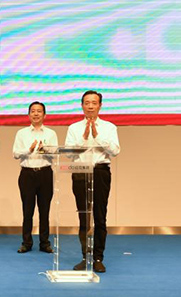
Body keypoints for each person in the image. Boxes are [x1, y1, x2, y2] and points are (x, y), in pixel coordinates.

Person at [65, 90, 120, 273]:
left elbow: (115, 151)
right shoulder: (74, 128)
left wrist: (97, 136)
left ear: (100, 106)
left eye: (94, 103)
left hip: (100, 171)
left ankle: (98, 257)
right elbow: (69, 153)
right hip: (80, 172)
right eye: (87, 103)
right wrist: (83, 137)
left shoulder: (109, 127)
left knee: (100, 216)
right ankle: (85, 256)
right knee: (84, 216)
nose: (90, 106)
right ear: (82, 106)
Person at [12, 101, 57, 254]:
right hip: (27, 174)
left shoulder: (51, 133)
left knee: (44, 211)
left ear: (44, 115)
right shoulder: (21, 133)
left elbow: (55, 154)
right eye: (33, 111)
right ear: (29, 114)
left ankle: (45, 243)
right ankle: (26, 242)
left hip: (45, 173)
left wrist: (45, 149)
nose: (36, 114)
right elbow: (15, 153)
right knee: (27, 210)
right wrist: (29, 149)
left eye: (39, 111)